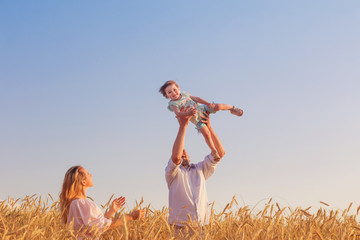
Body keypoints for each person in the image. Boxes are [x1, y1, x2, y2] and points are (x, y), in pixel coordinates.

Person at [165, 106, 225, 231]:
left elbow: (220, 153)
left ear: (189, 156)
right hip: (179, 226)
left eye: (184, 152)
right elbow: (176, 158)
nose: (182, 154)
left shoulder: (200, 169)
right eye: (180, 152)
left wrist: (209, 127)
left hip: (203, 226)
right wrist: (183, 126)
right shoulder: (172, 173)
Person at [159, 80, 242, 160]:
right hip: (197, 119)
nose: (173, 93)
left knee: (218, 106)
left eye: (174, 90)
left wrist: (207, 103)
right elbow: (178, 114)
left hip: (202, 109)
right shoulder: (173, 104)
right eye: (169, 92)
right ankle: (213, 150)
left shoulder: (184, 94)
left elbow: (196, 98)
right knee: (206, 134)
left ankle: (232, 108)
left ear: (178, 88)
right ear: (167, 96)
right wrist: (188, 113)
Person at [59, 166, 145, 239]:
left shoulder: (76, 204)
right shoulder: (81, 204)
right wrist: (131, 216)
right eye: (88, 173)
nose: (91, 175)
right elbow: (105, 226)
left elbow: (98, 226)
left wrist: (112, 211)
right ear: (83, 182)